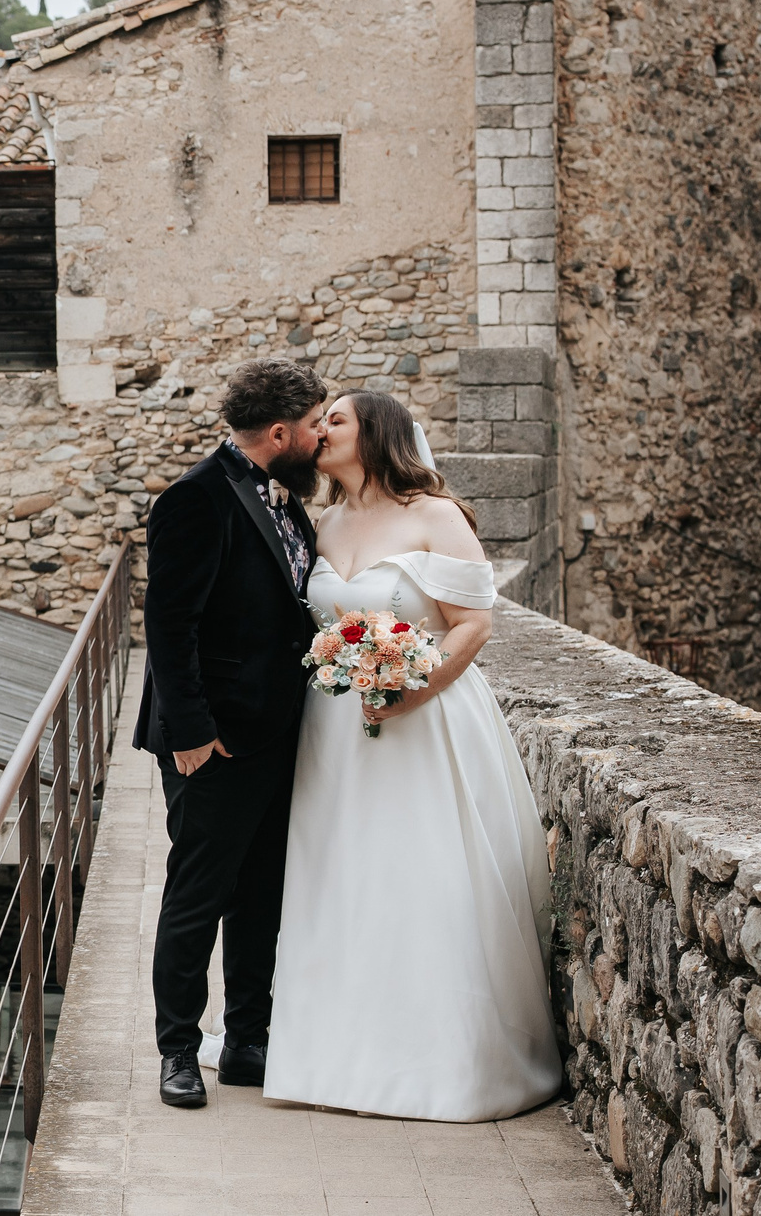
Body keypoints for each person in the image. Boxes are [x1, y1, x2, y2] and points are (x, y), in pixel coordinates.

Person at [263, 390, 563, 1120]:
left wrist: (410, 688)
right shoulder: (321, 521)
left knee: (420, 876)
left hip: (423, 721)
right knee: (343, 883)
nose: (319, 430)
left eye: (335, 419)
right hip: (334, 733)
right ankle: (335, 1056)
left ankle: (443, 1065)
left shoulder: (436, 515)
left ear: (379, 433)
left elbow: (473, 625)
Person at [136, 358, 328, 1109]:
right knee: (198, 893)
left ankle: (247, 1041)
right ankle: (178, 1049)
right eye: (312, 426)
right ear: (279, 431)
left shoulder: (285, 496)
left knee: (261, 894)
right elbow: (168, 623)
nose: (318, 438)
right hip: (211, 738)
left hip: (279, 729)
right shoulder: (194, 498)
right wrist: (190, 733)